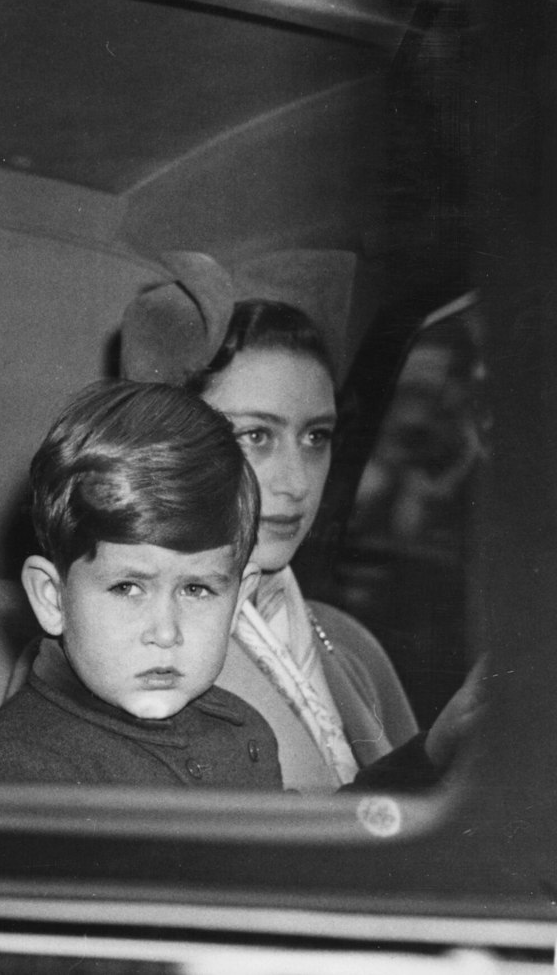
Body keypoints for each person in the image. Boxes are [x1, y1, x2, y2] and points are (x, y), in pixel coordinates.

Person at [120, 249, 466, 792]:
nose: (297, 483)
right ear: (168, 443)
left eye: (315, 438)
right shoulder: (127, 652)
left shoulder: (348, 646)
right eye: (256, 436)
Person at [0, 380, 277, 787]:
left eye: (196, 589)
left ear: (239, 600)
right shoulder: (24, 768)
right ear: (52, 598)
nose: (165, 633)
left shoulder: (247, 734)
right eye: (127, 588)